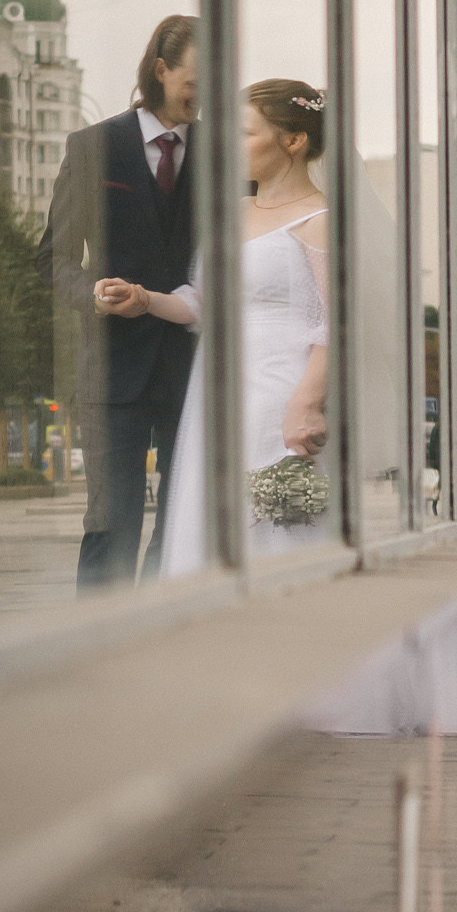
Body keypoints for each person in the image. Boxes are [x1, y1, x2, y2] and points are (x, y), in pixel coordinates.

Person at [36, 14, 200, 587]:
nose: (201, 98)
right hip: (111, 374)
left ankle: (164, 645)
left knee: (183, 528)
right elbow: (51, 262)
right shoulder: (92, 147)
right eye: (194, 81)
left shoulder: (223, 154)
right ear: (161, 69)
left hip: (194, 372)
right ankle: (97, 651)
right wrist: (96, 296)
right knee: (112, 528)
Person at [155, 81, 332, 577]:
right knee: (206, 525)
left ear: (292, 141)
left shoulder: (321, 220)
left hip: (277, 395)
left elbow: (334, 322)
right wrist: (144, 299)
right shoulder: (231, 213)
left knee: (273, 530)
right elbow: (206, 303)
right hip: (216, 392)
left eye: (244, 132)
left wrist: (307, 402)